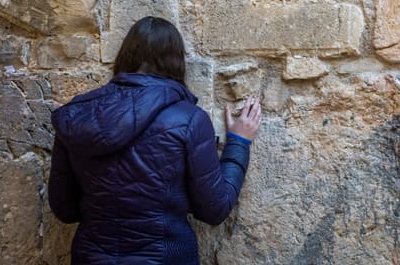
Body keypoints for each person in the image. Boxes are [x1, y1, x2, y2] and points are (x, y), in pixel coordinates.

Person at [47, 16, 262, 264]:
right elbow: (214, 209)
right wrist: (239, 142)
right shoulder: (189, 119)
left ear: (124, 57)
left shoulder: (76, 116)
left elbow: (64, 209)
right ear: (176, 62)